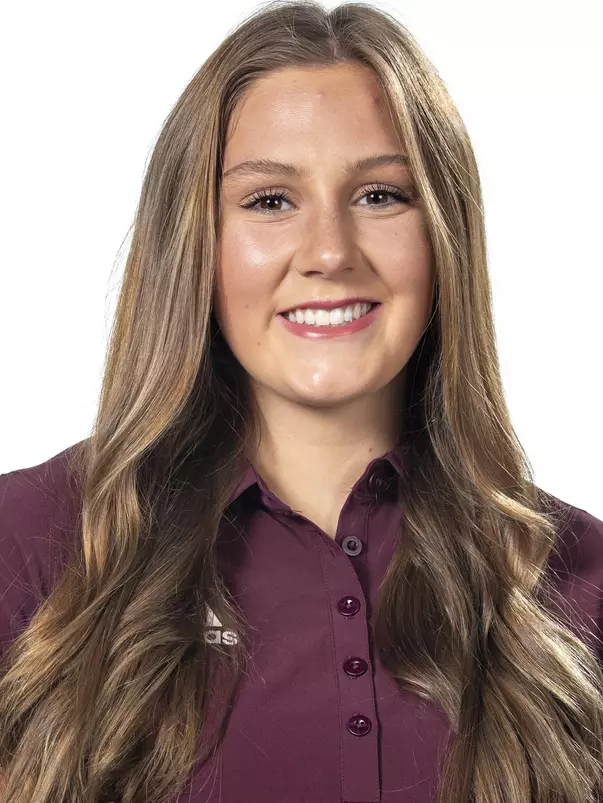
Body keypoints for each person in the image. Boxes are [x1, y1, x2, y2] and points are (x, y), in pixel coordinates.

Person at [1, 1, 602, 801]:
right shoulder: (31, 544)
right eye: (270, 201)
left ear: (445, 236)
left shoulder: (573, 575)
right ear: (197, 245)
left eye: (381, 195)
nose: (328, 252)